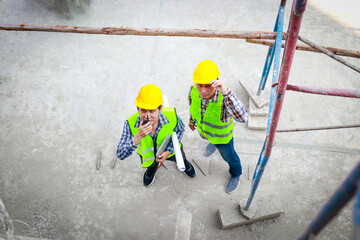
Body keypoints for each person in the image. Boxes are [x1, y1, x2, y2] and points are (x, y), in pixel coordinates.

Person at [117, 84, 196, 187]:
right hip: (149, 156)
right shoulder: (130, 124)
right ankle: (151, 171)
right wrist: (138, 136)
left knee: (180, 157)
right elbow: (120, 154)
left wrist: (168, 151)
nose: (147, 116)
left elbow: (180, 130)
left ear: (160, 108)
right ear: (138, 109)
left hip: (171, 151)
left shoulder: (171, 116)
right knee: (151, 165)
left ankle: (184, 163)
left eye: (152, 110)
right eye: (143, 110)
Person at [188, 60, 248, 193]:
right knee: (211, 139)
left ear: (216, 82)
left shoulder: (224, 98)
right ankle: (212, 143)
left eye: (208, 85)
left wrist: (226, 93)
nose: (203, 90)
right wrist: (192, 121)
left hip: (222, 139)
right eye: (200, 85)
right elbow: (193, 107)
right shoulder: (193, 90)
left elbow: (243, 117)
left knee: (229, 157)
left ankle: (236, 173)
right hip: (208, 132)